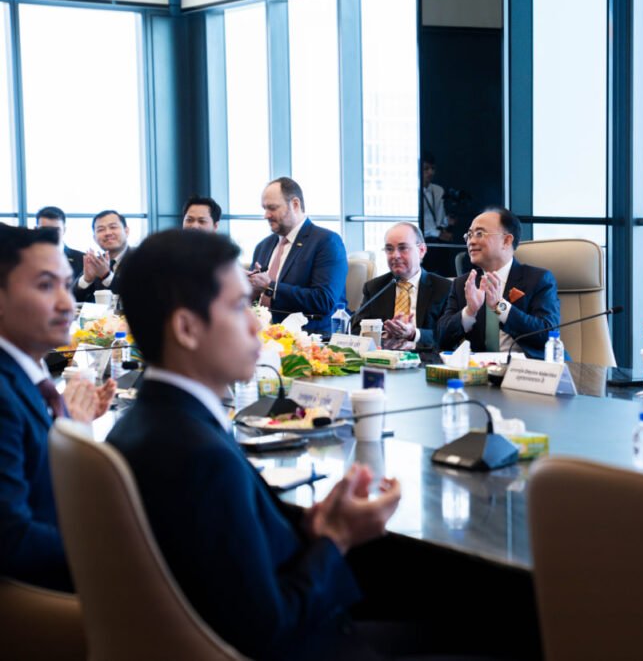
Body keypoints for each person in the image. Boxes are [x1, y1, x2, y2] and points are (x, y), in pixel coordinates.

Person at [108, 230, 403, 659]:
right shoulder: (200, 457)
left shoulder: (143, 423)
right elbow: (267, 629)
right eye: (238, 307)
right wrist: (336, 539)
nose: (256, 325)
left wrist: (310, 531)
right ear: (187, 328)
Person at [0, 226, 114, 591]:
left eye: (67, 284)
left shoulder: (28, 378)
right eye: (46, 286)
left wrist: (71, 426)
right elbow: (12, 539)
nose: (67, 303)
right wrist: (119, 548)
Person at [436, 207, 562, 360]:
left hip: (526, 369)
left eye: (479, 234)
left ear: (506, 240)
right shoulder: (463, 284)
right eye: (469, 235)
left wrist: (500, 306)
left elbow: (547, 334)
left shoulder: (538, 279)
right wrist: (469, 312)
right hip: (479, 370)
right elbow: (441, 338)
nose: (471, 241)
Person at [248, 177, 347, 338]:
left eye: (272, 208)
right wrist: (249, 288)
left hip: (309, 339)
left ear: (295, 204)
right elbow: (253, 300)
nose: (266, 215)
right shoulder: (263, 246)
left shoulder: (326, 242)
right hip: (260, 338)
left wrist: (270, 286)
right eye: (264, 208)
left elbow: (324, 300)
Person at [354, 222, 452, 350]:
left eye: (403, 248)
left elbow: (449, 336)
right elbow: (355, 330)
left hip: (425, 358)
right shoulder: (375, 288)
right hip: (383, 357)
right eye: (389, 249)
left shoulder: (444, 288)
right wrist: (383, 336)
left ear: (421, 250)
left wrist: (414, 334)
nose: (395, 255)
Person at [74, 209, 130, 303]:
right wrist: (86, 280)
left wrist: (106, 276)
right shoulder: (96, 262)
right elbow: (70, 300)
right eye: (101, 229)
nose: (108, 233)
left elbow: (140, 294)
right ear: (94, 238)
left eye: (113, 227)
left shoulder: (142, 258)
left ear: (126, 231)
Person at [35, 206, 85, 279]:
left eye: (55, 230)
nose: (49, 234)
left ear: (64, 230)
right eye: (44, 230)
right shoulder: (25, 260)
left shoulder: (82, 260)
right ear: (36, 230)